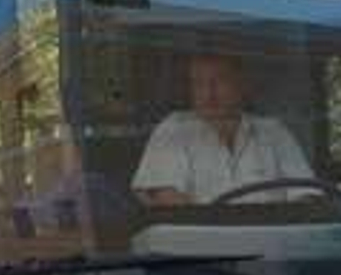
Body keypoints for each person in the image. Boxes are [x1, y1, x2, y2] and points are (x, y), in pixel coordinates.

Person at [131, 52, 313, 206]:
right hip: (200, 235)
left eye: (220, 81)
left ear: (242, 85)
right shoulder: (175, 128)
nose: (209, 93)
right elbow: (167, 198)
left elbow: (306, 195)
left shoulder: (273, 131)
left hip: (272, 234)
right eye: (199, 83)